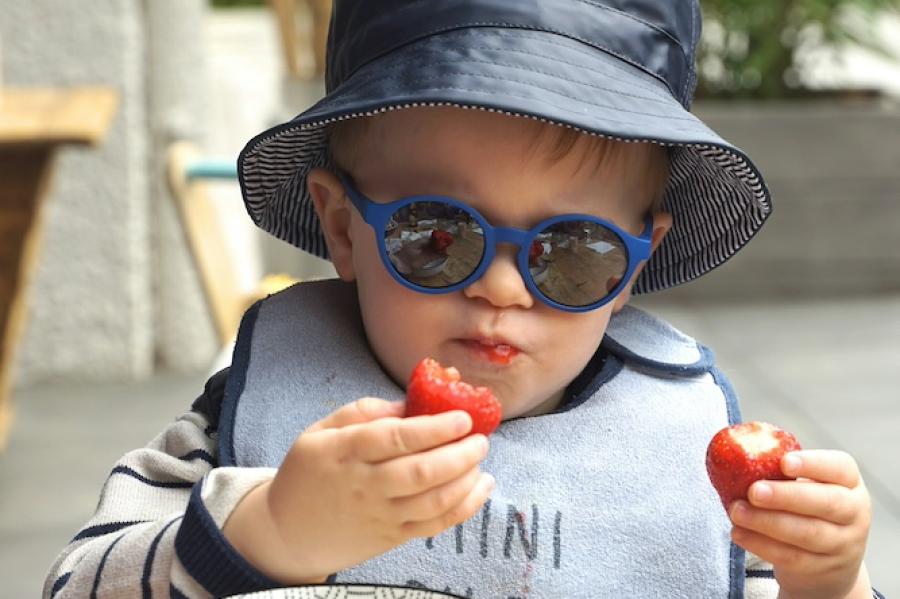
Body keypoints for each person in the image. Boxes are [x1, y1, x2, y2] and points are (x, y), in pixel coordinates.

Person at [45, 1, 882, 598]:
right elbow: (77, 581)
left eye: (575, 253)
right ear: (342, 228)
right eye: (435, 234)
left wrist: (828, 578)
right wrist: (268, 532)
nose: (503, 287)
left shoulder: (688, 461)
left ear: (633, 265)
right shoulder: (253, 413)